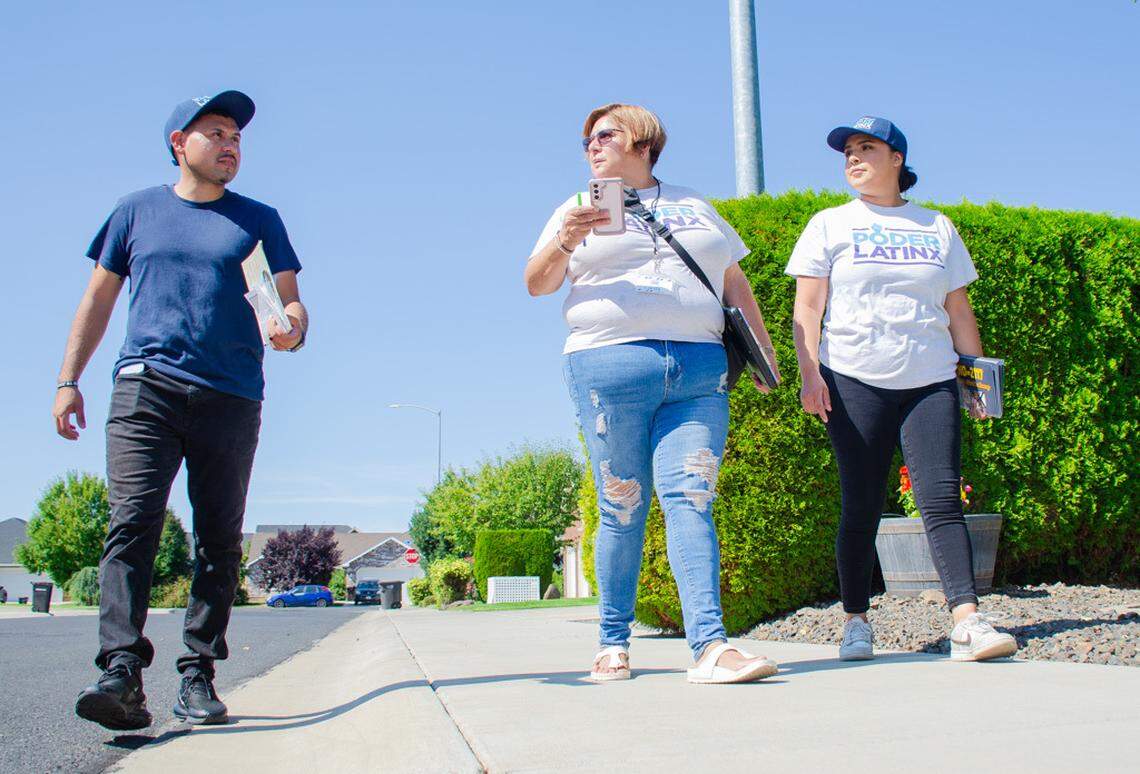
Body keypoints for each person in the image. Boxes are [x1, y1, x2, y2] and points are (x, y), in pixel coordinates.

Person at [54, 90, 308, 730]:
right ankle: (120, 670)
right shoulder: (134, 212)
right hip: (146, 386)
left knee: (219, 538)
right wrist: (68, 380)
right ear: (179, 143)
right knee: (132, 523)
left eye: (238, 138)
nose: (231, 145)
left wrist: (293, 328)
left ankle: (198, 675)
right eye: (217, 132)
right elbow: (98, 300)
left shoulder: (259, 219)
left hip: (231, 393)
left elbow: (292, 303)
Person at [525, 103, 780, 684]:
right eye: (586, 138)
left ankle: (711, 647)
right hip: (610, 366)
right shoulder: (574, 208)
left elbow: (733, 282)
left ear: (642, 141)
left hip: (698, 371)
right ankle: (612, 643)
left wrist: (768, 361)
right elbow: (536, 285)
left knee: (692, 497)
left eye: (605, 134)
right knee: (621, 504)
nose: (592, 145)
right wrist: (565, 242)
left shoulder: (694, 204)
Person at [785, 116, 1016, 663]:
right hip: (852, 378)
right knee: (861, 504)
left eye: (867, 148)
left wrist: (977, 380)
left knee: (941, 499)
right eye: (847, 152)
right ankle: (856, 622)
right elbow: (808, 307)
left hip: (931, 380)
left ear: (898, 160)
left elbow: (957, 309)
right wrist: (810, 374)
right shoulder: (828, 224)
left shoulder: (936, 226)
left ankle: (967, 621)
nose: (853, 158)